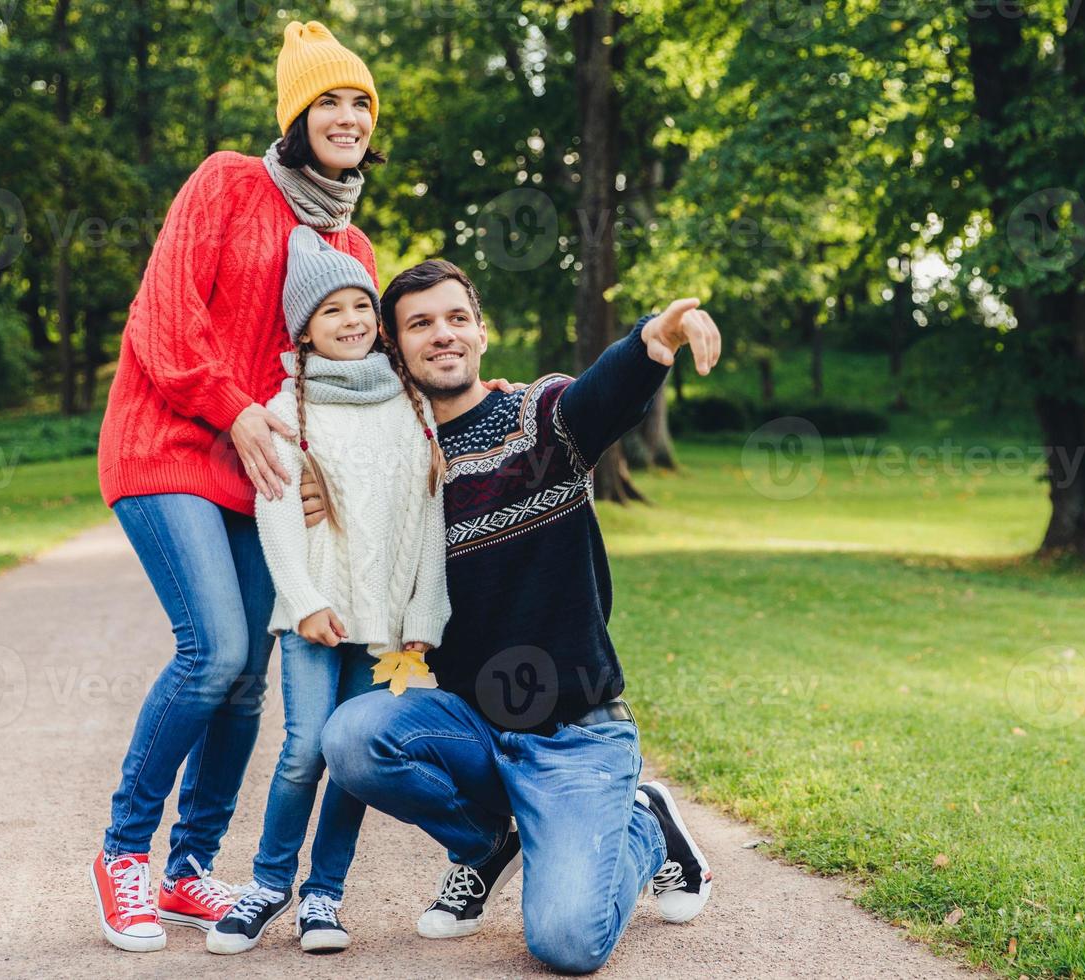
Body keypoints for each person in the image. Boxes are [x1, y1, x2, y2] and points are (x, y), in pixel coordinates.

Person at [316, 259, 722, 973]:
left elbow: (603, 397)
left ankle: (643, 829)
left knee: (566, 944)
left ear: (480, 330)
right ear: (393, 345)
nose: (441, 335)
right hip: (472, 727)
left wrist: (656, 339)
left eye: (455, 318)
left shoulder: (538, 419)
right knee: (352, 738)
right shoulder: (395, 465)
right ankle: (485, 844)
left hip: (574, 736)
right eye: (419, 324)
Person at [88, 20, 387, 953]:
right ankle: (124, 852)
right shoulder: (227, 181)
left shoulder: (355, 247)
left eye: (362, 103)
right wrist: (238, 410)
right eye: (329, 100)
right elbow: (164, 321)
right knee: (213, 650)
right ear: (296, 116)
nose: (347, 116)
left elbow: (359, 380)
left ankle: (187, 871)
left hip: (266, 479)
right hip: (168, 442)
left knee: (251, 679)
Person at [205, 226, 450, 956]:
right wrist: (305, 600)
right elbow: (274, 511)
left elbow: (431, 516)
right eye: (331, 311)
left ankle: (324, 896)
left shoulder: (412, 405)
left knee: (350, 757)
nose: (351, 321)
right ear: (304, 331)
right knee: (304, 750)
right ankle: (269, 882)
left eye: (360, 307)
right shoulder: (288, 406)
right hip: (319, 618)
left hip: (388, 628)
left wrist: (424, 615)